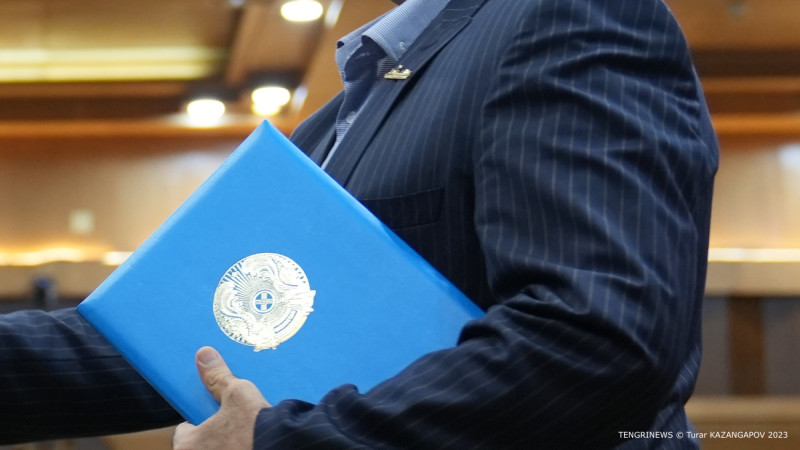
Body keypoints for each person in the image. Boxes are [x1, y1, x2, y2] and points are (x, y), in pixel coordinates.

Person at [0, 0, 719, 448]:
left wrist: (280, 442)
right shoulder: (336, 119)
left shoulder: (572, 14)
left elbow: (595, 338)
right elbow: (177, 337)